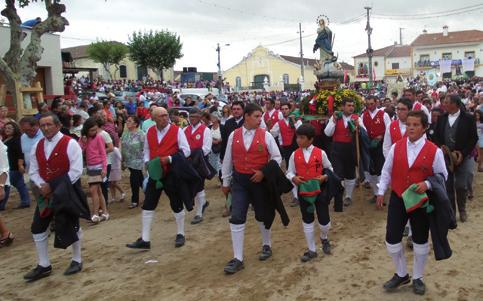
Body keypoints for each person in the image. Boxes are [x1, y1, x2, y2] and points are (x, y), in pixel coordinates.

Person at [376, 111, 447, 296]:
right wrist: (381, 191)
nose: (411, 128)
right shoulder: (395, 147)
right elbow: (387, 170)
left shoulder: (434, 151)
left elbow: (443, 175)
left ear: (424, 128)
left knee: (420, 239)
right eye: (408, 124)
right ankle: (401, 273)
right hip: (399, 198)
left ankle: (418, 277)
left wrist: (428, 183)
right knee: (391, 238)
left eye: (416, 125)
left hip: (420, 202)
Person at [221, 103, 282, 274]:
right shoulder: (234, 135)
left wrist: (264, 172)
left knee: (262, 215)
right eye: (256, 116)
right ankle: (238, 258)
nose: (259, 120)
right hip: (240, 181)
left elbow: (277, 157)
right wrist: (225, 183)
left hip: (259, 181)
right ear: (246, 116)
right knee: (237, 216)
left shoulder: (266, 135)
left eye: (260, 116)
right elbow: (228, 159)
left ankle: (266, 244)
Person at [25, 113, 87, 282]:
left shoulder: (70, 143)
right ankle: (44, 264)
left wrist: (53, 187)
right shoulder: (37, 145)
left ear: (58, 125)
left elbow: (76, 171)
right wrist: (41, 185)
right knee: (38, 227)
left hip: (67, 191)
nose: (45, 128)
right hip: (45, 194)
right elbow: (33, 171)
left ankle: (77, 259)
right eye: (42, 125)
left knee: (72, 224)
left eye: (49, 125)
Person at [126, 107, 191, 250]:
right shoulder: (150, 131)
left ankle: (180, 233)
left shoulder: (177, 131)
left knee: (176, 203)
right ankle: (145, 239)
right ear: (153, 118)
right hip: (155, 174)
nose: (165, 118)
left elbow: (186, 150)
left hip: (172, 172)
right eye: (161, 116)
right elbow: (147, 150)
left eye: (166, 115)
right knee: (148, 204)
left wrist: (169, 158)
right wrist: (147, 162)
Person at [286, 124, 334, 262]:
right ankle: (311, 249)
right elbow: (289, 171)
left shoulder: (321, 153)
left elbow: (329, 168)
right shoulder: (294, 154)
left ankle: (324, 237)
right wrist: (293, 178)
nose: (298, 140)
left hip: (320, 190)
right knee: (307, 219)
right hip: (304, 191)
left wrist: (325, 177)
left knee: (324, 221)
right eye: (297, 137)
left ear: (311, 139)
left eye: (302, 138)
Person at [432, 94, 478, 222]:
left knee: (461, 185)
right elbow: (436, 136)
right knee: (448, 186)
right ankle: (451, 212)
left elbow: (473, 138)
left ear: (455, 104)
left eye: (447, 102)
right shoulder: (442, 118)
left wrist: (462, 153)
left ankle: (462, 209)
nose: (444, 104)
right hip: (446, 157)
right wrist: (441, 148)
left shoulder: (468, 118)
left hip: (463, 156)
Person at [324, 98, 366, 209]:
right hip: (337, 149)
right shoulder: (336, 118)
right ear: (342, 107)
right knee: (338, 173)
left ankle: (348, 196)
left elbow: (363, 132)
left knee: (350, 173)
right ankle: (338, 194)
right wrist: (333, 120)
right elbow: (327, 133)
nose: (351, 107)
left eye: (352, 105)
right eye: (348, 105)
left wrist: (359, 127)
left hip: (351, 148)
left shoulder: (357, 118)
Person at [270, 102, 302, 206]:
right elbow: (272, 133)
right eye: (282, 109)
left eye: (286, 109)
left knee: (301, 170)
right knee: (291, 171)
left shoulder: (297, 120)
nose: (284, 111)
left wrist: (294, 121)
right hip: (287, 150)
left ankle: (305, 193)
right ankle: (296, 196)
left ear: (290, 109)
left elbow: (301, 132)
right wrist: (268, 125)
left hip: (298, 148)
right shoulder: (279, 123)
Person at [184, 108, 212, 224]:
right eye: (190, 117)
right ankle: (203, 202)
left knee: (199, 185)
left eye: (194, 117)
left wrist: (193, 153)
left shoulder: (205, 130)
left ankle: (199, 213)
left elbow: (206, 148)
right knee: (191, 185)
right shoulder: (185, 129)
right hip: (187, 162)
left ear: (200, 117)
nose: (192, 119)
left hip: (200, 162)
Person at [362, 95, 391, 202]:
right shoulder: (363, 115)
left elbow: (389, 130)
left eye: (372, 104)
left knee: (380, 170)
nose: (370, 106)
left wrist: (382, 136)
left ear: (377, 103)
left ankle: (381, 194)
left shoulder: (384, 115)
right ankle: (375, 193)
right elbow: (362, 129)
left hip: (380, 146)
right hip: (368, 146)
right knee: (371, 170)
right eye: (368, 104)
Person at [79, 118, 109, 223]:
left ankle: (96, 213)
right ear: (86, 130)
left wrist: (104, 168)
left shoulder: (99, 138)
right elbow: (80, 150)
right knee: (98, 191)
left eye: (95, 130)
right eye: (92, 130)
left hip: (98, 166)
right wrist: (84, 142)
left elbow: (103, 154)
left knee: (93, 190)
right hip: (90, 167)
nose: (94, 132)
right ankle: (105, 212)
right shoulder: (83, 138)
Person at [0, 122, 31, 210]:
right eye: (6, 128)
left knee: (7, 185)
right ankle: (25, 201)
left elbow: (20, 153)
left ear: (15, 129)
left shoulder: (17, 140)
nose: (7, 130)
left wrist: (20, 165)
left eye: (10, 128)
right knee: (19, 184)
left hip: (14, 166)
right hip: (9, 165)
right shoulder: (6, 139)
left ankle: (2, 204)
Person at [121, 116, 145, 209]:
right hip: (128, 161)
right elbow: (123, 147)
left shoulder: (141, 134)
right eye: (127, 120)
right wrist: (122, 160)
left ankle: (134, 200)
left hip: (138, 160)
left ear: (135, 124)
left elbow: (145, 148)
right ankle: (149, 193)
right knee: (140, 180)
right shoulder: (125, 134)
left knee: (134, 180)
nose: (127, 122)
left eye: (130, 121)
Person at [0, 140, 14, 246]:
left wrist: (1, 186)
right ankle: (6, 233)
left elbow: (4, 167)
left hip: (1, 182)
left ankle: (6, 233)